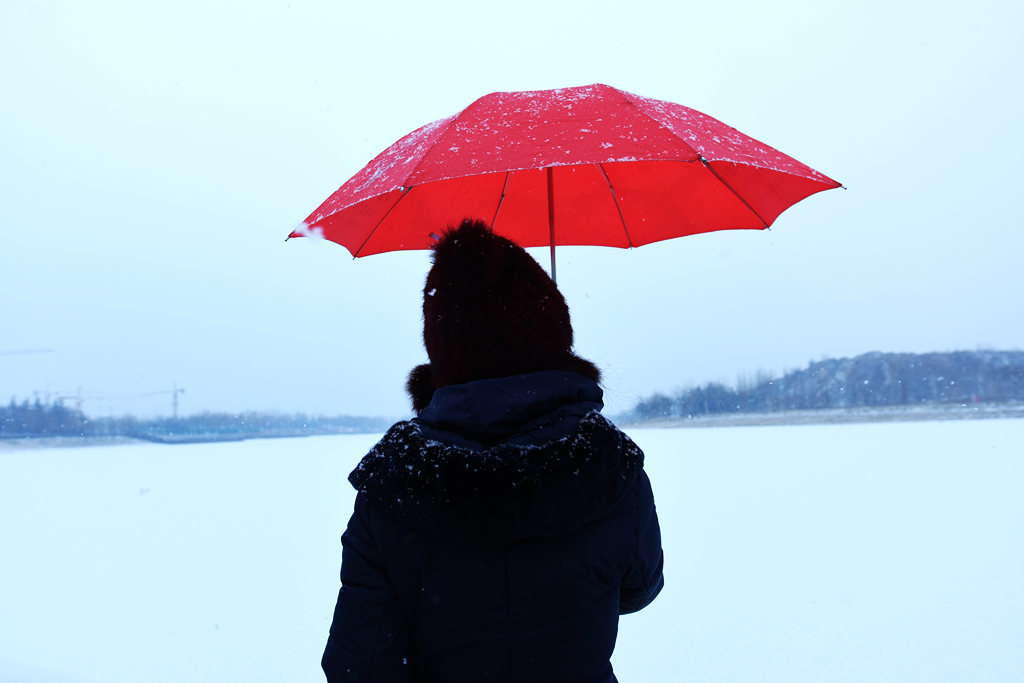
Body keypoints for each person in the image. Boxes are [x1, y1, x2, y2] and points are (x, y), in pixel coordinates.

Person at [322, 218, 664, 683]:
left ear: (441, 350)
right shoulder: (606, 463)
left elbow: (360, 665)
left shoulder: (394, 483)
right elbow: (638, 589)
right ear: (555, 333)